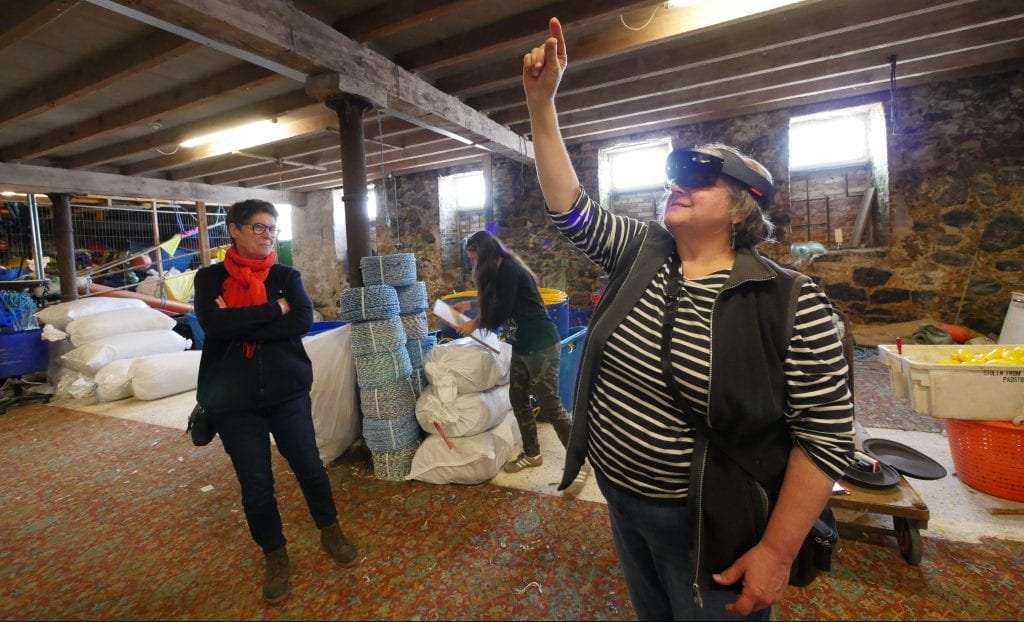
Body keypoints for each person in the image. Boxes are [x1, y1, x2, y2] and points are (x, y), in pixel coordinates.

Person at [522, 18, 855, 621]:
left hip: (711, 518)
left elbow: (826, 435)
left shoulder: (787, 300)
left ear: (741, 207)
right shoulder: (639, 253)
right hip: (621, 499)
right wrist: (542, 106)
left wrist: (778, 553)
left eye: (700, 177)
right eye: (675, 174)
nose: (678, 184)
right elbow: (568, 209)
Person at [194, 199, 359, 604]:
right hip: (234, 402)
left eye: (273, 229)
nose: (269, 236)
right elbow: (211, 325)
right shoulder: (209, 279)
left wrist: (240, 323)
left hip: (286, 393)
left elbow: (301, 321)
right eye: (260, 228)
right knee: (256, 485)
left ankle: (329, 529)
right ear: (234, 229)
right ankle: (275, 555)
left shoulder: (287, 275)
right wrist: (272, 311)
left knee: (309, 466)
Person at [455, 229, 590, 496]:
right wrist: (468, 304)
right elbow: (494, 298)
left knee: (550, 405)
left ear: (486, 256)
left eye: (474, 260)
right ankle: (532, 453)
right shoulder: (500, 271)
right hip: (523, 344)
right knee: (518, 397)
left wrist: (475, 323)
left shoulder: (510, 271)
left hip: (540, 343)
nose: (473, 265)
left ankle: (581, 463)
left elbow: (500, 311)